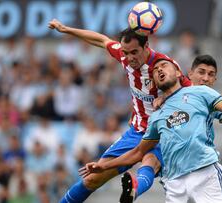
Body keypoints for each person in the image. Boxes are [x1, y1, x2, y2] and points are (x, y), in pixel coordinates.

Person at [79, 58, 222, 203]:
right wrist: (102, 165)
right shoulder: (157, 115)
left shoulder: (203, 95)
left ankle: (137, 186)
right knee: (149, 159)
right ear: (189, 73)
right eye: (156, 69)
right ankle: (136, 187)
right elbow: (137, 152)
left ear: (179, 73)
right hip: (174, 180)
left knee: (151, 161)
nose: (206, 78)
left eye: (211, 75)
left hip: (204, 171)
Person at [48, 19, 191, 203]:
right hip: (138, 130)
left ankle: (131, 192)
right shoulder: (124, 56)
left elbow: (190, 92)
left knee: (150, 162)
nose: (130, 57)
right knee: (92, 177)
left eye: (134, 52)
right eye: (126, 53)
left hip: (164, 133)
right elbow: (101, 40)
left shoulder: (164, 66)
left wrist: (163, 98)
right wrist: (66, 29)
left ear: (146, 46)